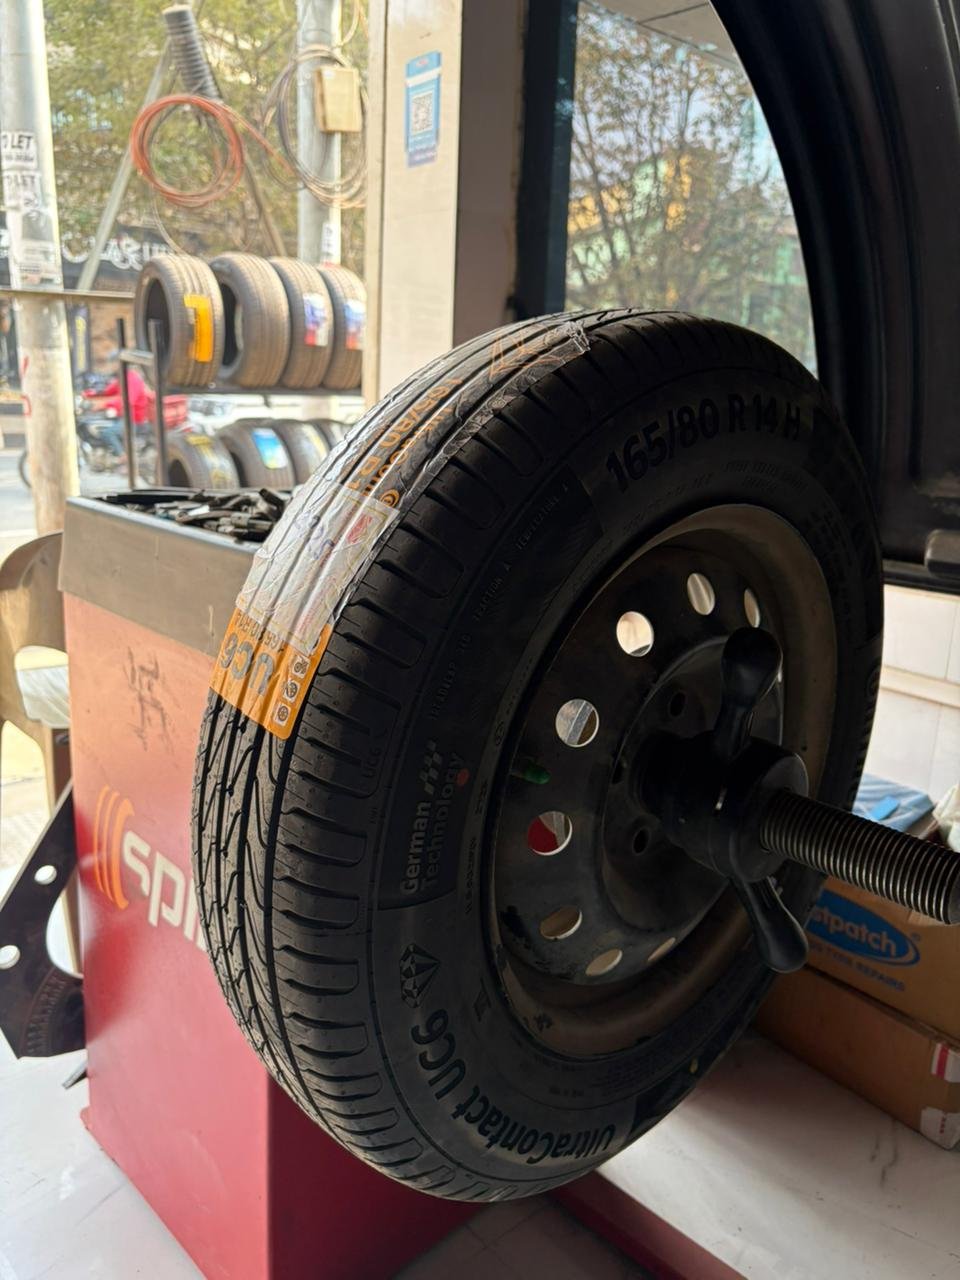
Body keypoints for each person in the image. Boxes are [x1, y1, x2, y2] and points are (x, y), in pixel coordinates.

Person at [84, 364, 155, 458]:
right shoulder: (124, 378)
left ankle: (122, 457)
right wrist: (88, 395)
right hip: (125, 416)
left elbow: (128, 401)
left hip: (134, 420)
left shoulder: (132, 379)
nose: (113, 366)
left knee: (108, 433)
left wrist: (104, 405)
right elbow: (109, 391)